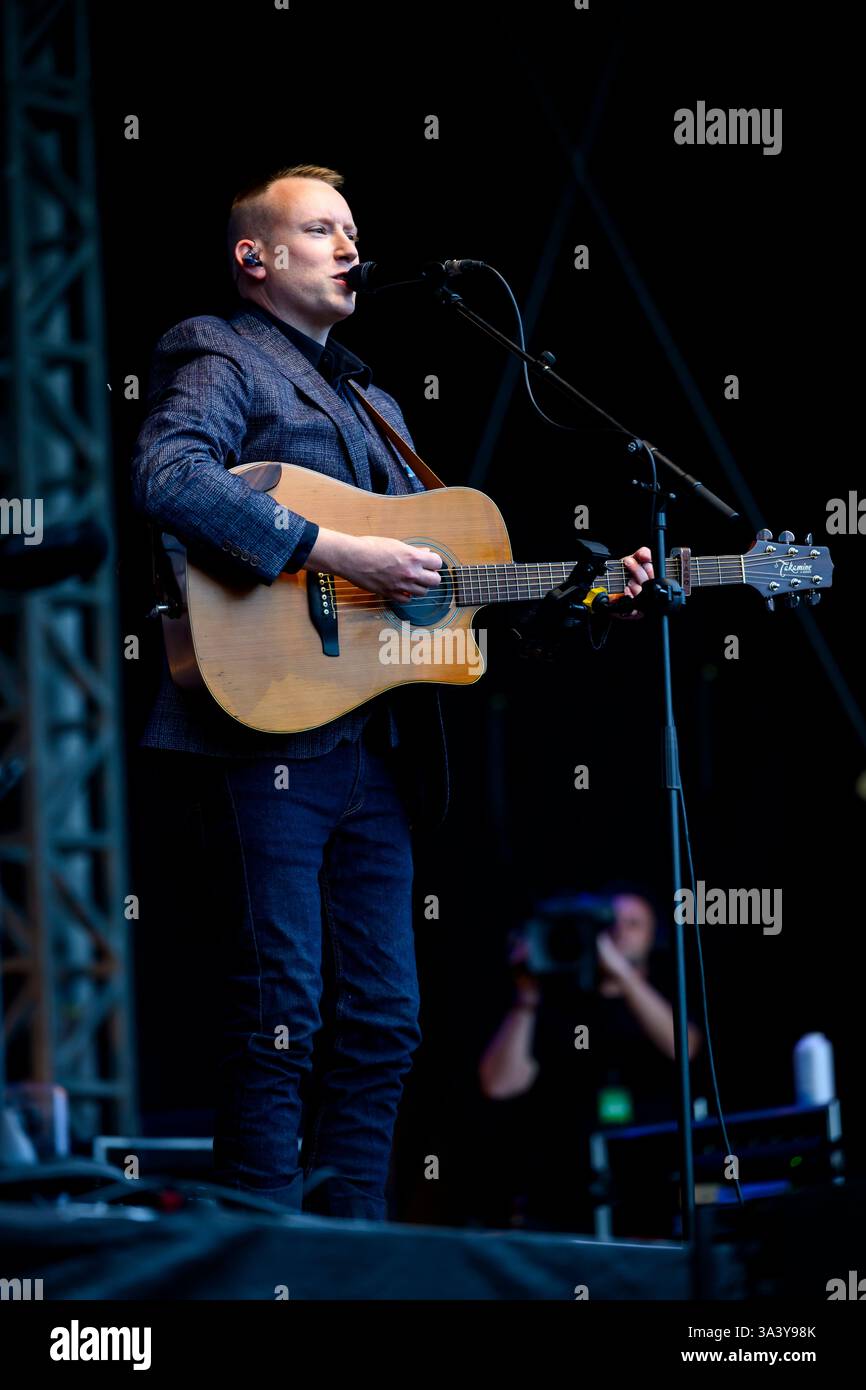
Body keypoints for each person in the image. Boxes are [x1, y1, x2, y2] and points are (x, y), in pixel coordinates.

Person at [129, 163, 656, 1220]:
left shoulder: (373, 402)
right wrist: (340, 551)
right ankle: (264, 1262)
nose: (345, 244)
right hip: (261, 734)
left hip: (377, 750)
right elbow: (169, 478)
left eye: (351, 229)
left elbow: (449, 596)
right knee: (282, 1007)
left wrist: (589, 600)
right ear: (255, 258)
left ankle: (355, 1253)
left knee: (383, 1021)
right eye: (321, 227)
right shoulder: (217, 347)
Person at [477, 889, 702, 1232]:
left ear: (653, 937)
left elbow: (684, 1048)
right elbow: (499, 1084)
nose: (618, 931)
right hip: (565, 1195)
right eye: (609, 922)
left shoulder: (669, 997)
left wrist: (623, 977)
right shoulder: (556, 1006)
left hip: (652, 1192)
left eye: (633, 924)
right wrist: (527, 995)